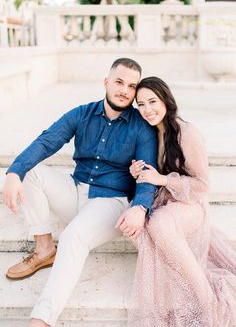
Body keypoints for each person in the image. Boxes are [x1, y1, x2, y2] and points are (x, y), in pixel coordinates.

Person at [2, 58, 158, 327]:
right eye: (119, 82)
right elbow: (47, 141)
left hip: (111, 202)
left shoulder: (141, 127)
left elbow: (147, 174)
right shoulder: (82, 113)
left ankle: (42, 319)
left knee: (74, 236)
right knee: (32, 173)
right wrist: (14, 172)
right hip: (76, 191)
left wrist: (140, 207)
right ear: (106, 82)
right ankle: (44, 249)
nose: (124, 90)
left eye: (131, 86)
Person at [128, 76, 236, 327]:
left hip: (191, 203)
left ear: (166, 99)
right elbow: (150, 175)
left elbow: (203, 185)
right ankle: (178, 289)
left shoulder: (187, 133)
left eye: (152, 101)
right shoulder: (150, 134)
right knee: (139, 227)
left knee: (160, 225)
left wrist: (162, 179)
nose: (147, 110)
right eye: (141, 104)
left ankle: (206, 301)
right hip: (168, 201)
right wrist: (138, 171)